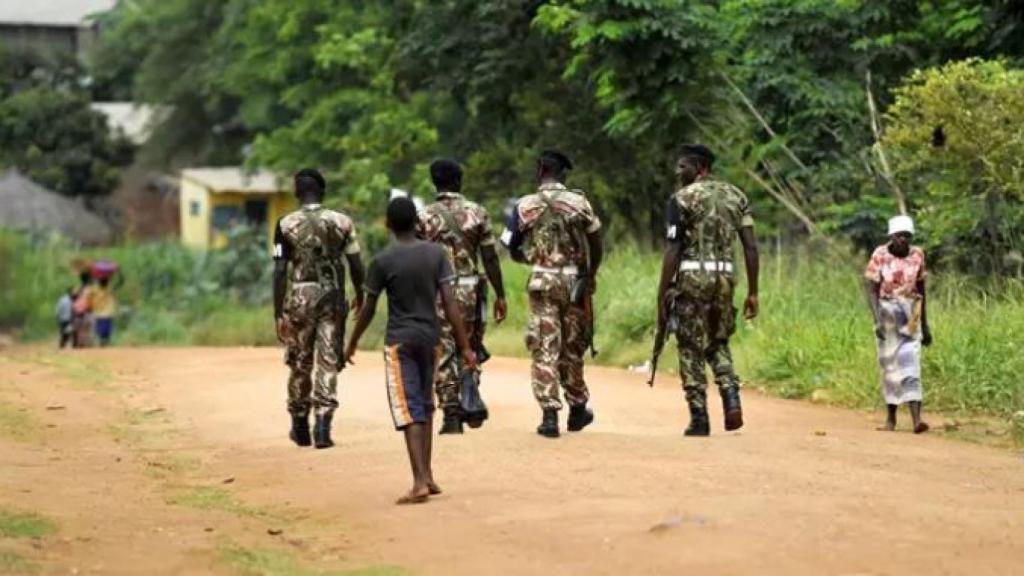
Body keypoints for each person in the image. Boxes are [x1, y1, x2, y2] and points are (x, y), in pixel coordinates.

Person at [345, 196, 476, 504]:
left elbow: (367, 309)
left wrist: (351, 342)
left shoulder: (382, 261)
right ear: (417, 223)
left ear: (387, 224)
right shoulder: (436, 254)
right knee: (426, 406)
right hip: (430, 340)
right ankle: (428, 476)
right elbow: (451, 304)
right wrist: (466, 346)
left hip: (400, 342)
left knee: (410, 409)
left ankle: (418, 482)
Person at [656, 144, 759, 437]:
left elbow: (673, 248)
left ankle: (699, 416)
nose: (678, 173)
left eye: (683, 167)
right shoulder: (737, 196)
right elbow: (750, 247)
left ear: (700, 167)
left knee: (690, 344)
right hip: (726, 279)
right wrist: (753, 292)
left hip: (692, 279)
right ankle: (730, 395)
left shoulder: (680, 199)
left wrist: (662, 292)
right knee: (718, 339)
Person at [502, 150, 603, 438]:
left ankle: (549, 415)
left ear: (540, 170)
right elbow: (597, 242)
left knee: (545, 346)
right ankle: (578, 407)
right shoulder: (579, 203)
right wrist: (589, 273)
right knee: (572, 347)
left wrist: (528, 259)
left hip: (542, 282)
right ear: (563, 174)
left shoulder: (524, 206)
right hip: (574, 282)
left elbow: (509, 243)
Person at [273, 168, 365, 449]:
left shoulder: (284, 224)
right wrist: (360, 295)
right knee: (328, 359)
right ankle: (323, 425)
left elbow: (279, 271)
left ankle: (300, 424)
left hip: (300, 296)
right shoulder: (342, 222)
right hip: (332, 296)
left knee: (299, 361)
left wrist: (278, 312)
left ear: (297, 193)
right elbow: (356, 264)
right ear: (322, 192)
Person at [417, 159, 508, 434]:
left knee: (443, 349)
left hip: (437, 291)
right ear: (458, 182)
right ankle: (470, 391)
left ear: (435, 183)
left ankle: (451, 413)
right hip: (470, 289)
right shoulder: (477, 213)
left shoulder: (423, 217)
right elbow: (490, 257)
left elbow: (418, 258)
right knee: (470, 344)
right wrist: (500, 295)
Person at [864, 215, 932, 434]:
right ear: (891, 237)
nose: (903, 240)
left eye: (907, 236)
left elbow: (921, 288)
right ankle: (891, 419)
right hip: (888, 311)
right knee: (890, 364)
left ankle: (916, 420)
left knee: (912, 362)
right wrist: (876, 320)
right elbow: (871, 289)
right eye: (899, 236)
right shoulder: (880, 255)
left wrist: (925, 324)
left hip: (912, 311)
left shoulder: (918, 255)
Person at [90, 277, 118, 347]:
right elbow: (120, 283)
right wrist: (119, 272)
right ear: (107, 283)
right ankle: (105, 342)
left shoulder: (95, 290)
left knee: (101, 331)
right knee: (106, 331)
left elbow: (90, 285)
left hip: (99, 314)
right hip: (107, 314)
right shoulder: (109, 290)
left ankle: (103, 342)